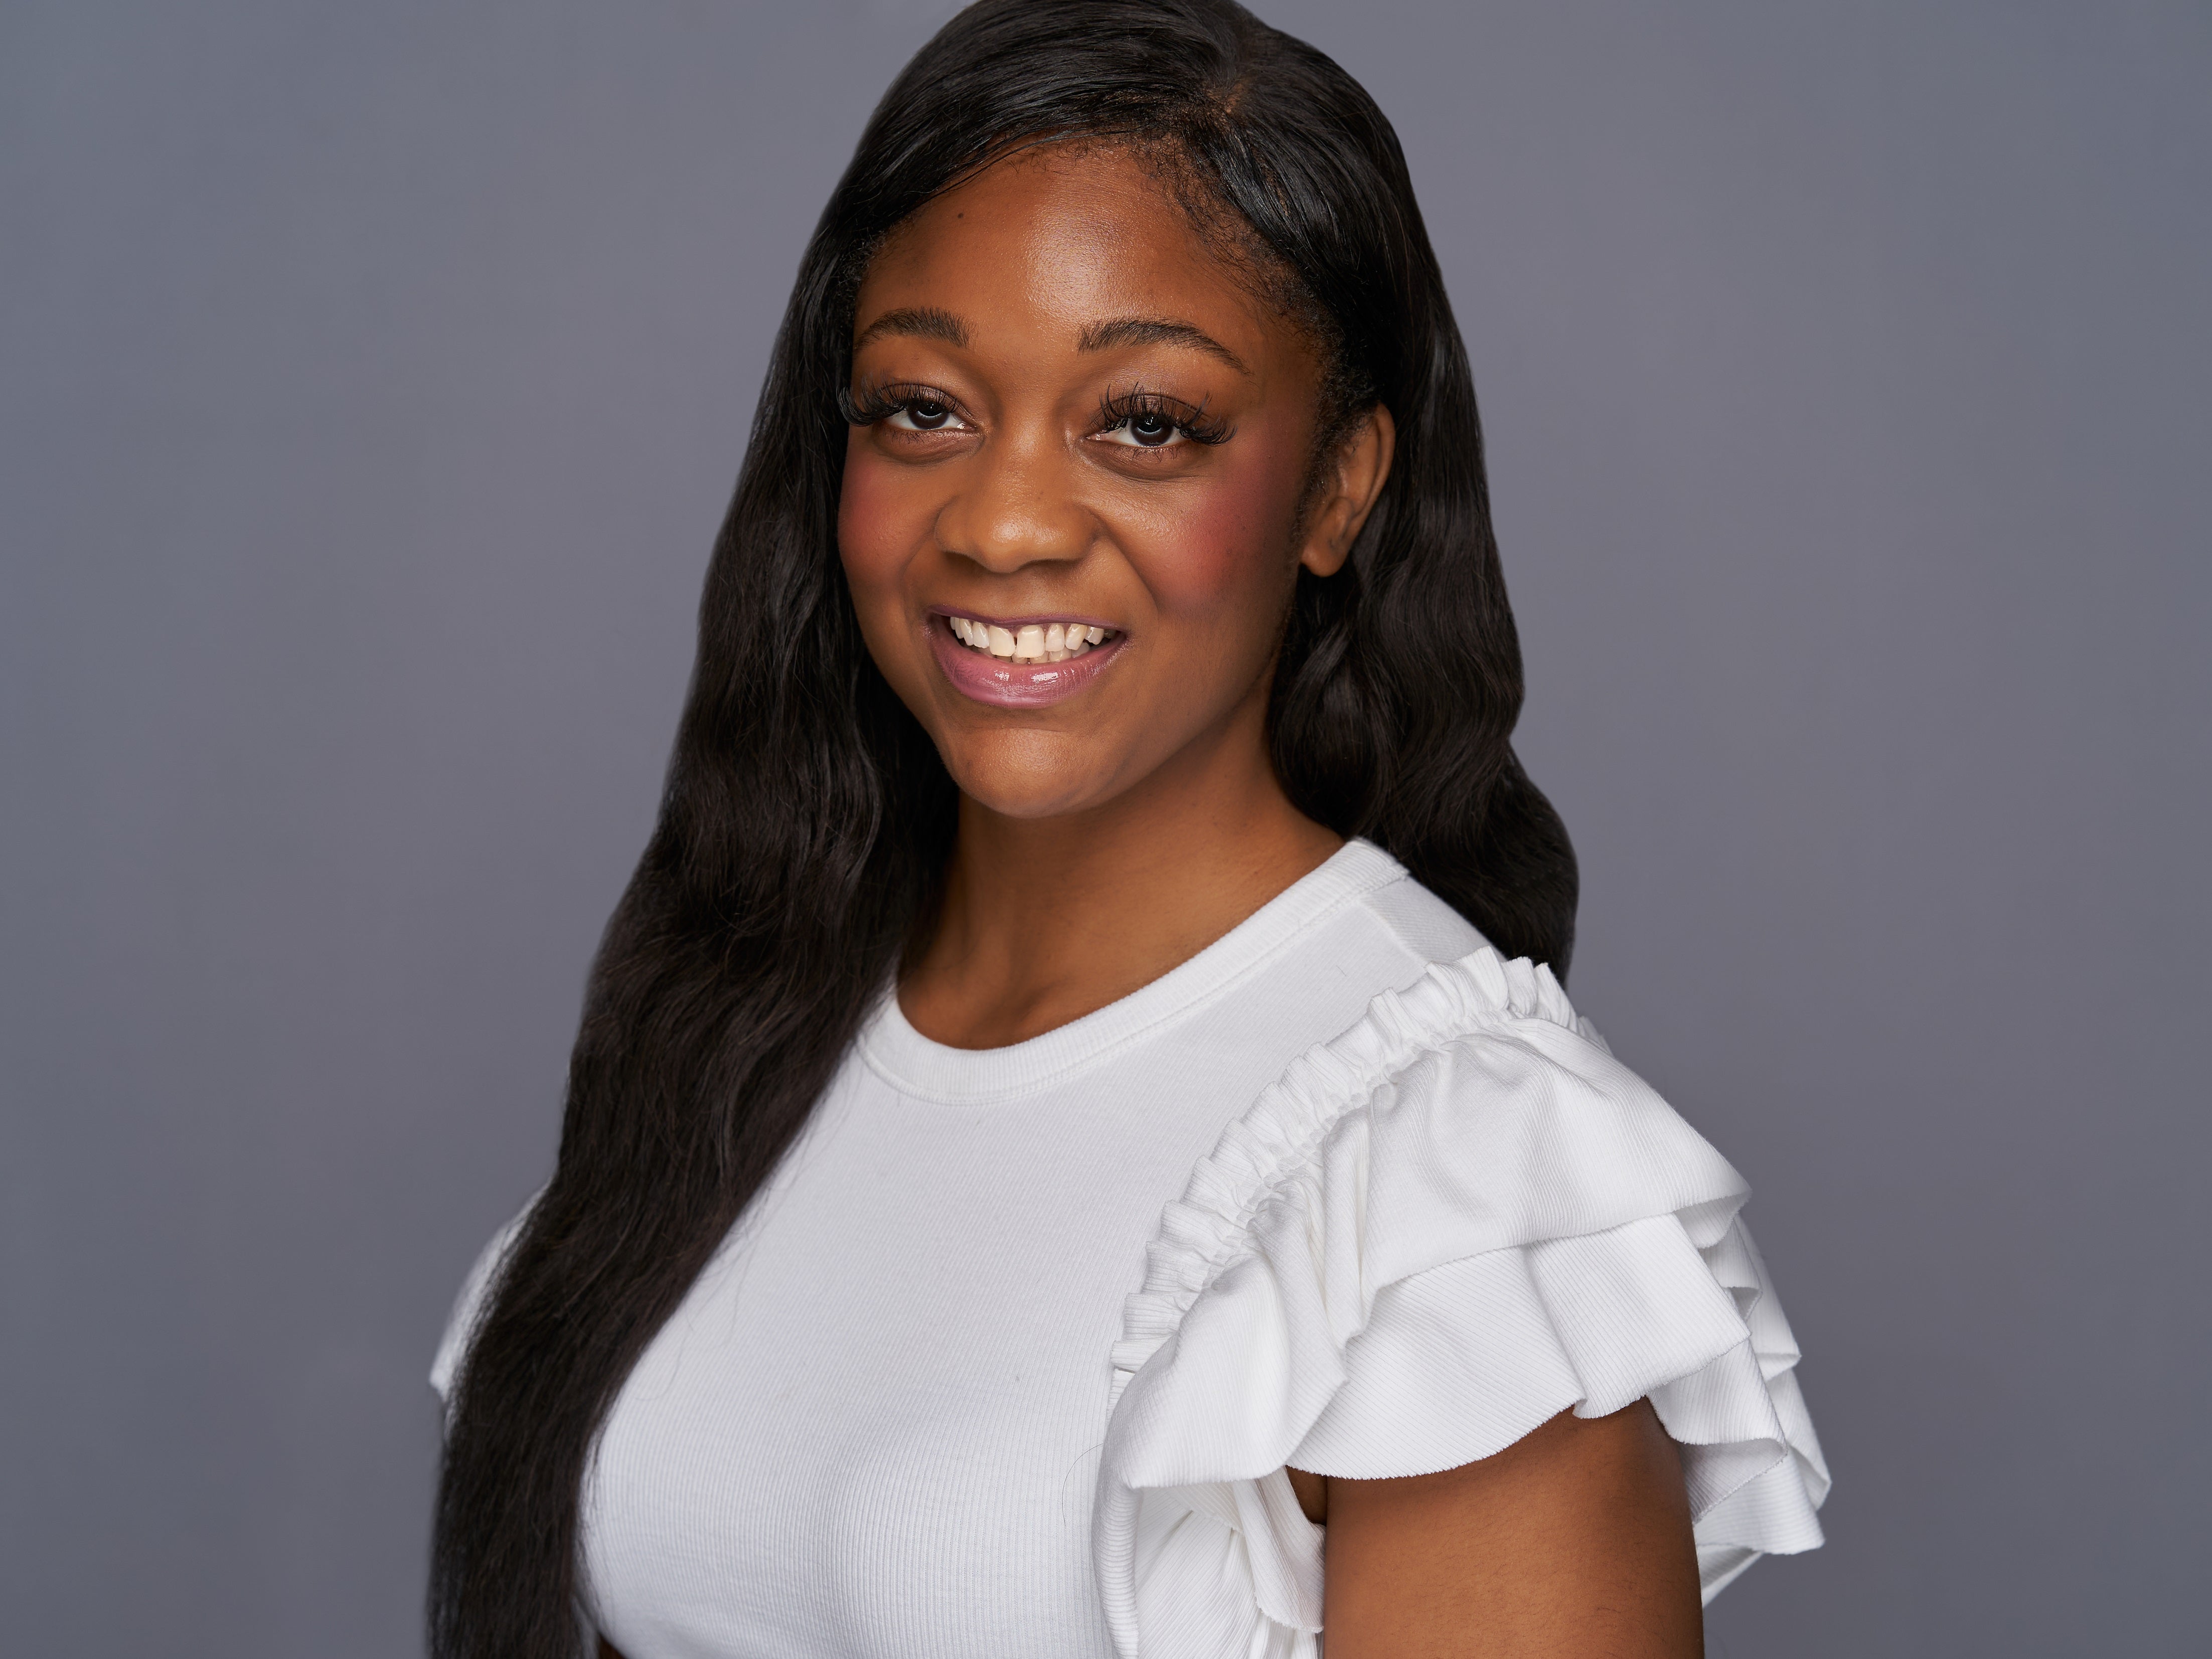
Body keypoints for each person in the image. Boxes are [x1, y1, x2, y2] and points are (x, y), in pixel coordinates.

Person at [428, 3, 1828, 1654]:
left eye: (1146, 422)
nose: (1006, 521)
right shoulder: (742, 1016)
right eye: (923, 409)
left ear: (1338, 488)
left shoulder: (1451, 1186)